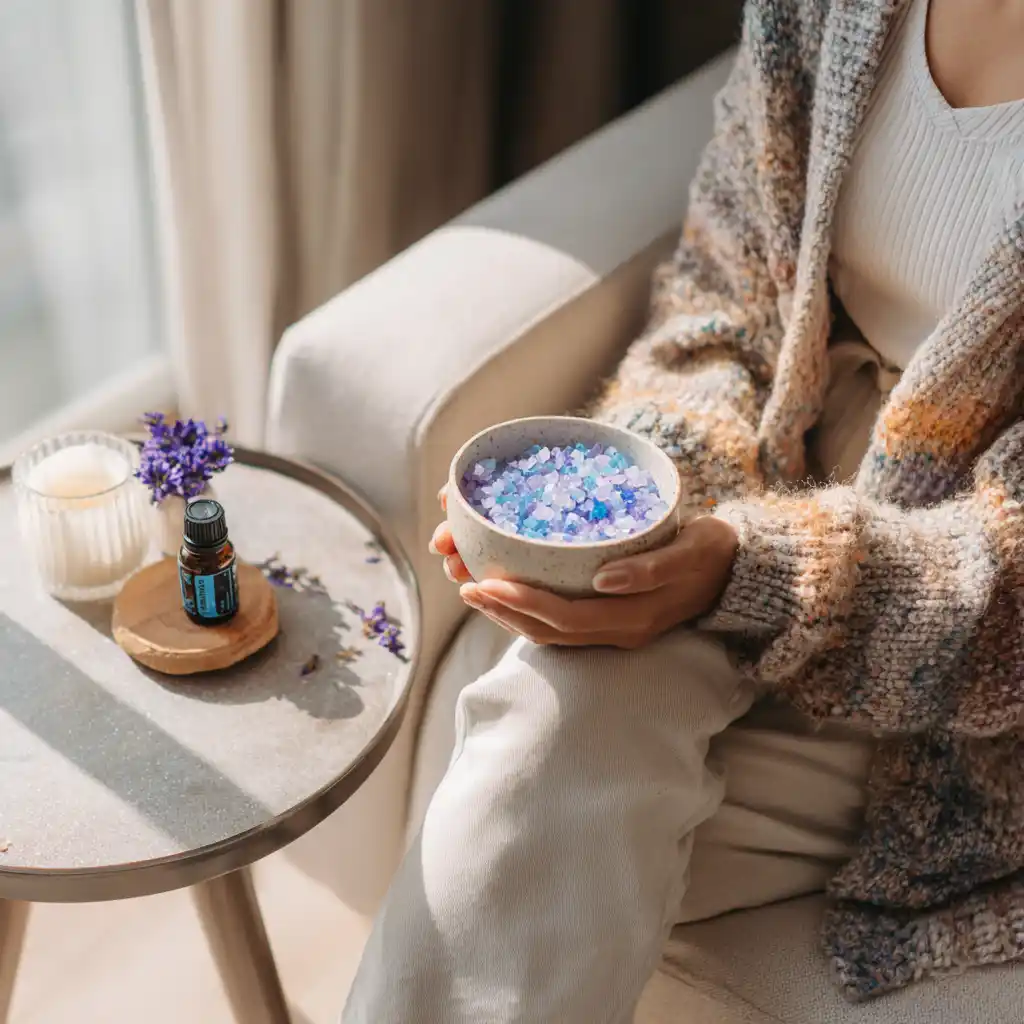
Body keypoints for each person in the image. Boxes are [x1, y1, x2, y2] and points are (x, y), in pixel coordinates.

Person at [343, 0, 1024, 1019]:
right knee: (548, 721)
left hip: (962, 680)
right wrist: (641, 512)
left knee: (528, 772)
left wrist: (756, 577)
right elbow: (723, 295)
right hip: (764, 490)